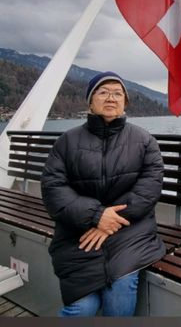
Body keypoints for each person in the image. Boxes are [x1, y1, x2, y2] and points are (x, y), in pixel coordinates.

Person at [41, 71, 166, 316]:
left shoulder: (143, 140)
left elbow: (149, 187)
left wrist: (109, 221)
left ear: (125, 103)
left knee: (120, 284)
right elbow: (53, 188)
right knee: (82, 306)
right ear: (90, 101)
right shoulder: (67, 142)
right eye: (103, 92)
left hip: (131, 232)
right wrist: (96, 216)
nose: (111, 98)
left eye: (118, 93)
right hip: (80, 233)